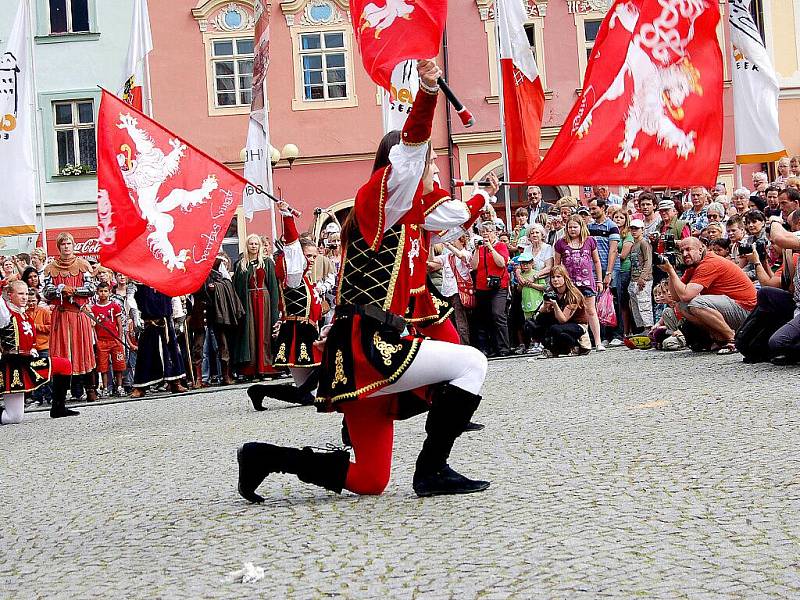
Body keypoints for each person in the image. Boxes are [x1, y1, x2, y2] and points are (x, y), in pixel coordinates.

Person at [237, 59, 492, 502]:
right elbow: (412, 158)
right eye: (429, 167)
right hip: (371, 344)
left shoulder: (400, 213)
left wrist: (478, 199)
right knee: (472, 363)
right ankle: (432, 469)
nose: (430, 174)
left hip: (357, 352)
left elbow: (448, 215)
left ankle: (263, 457)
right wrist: (428, 94)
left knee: (371, 480)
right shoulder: (382, 198)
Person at [247, 206, 324, 409]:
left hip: (307, 331)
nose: (312, 260)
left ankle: (260, 391)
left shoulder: (305, 281)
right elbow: (292, 250)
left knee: (307, 395)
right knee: (310, 391)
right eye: (309, 256)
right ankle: (261, 391)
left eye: (315, 256)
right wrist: (288, 218)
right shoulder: (293, 277)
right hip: (298, 333)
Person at [659, 237, 756, 355]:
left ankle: (733, 339)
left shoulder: (710, 262)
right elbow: (676, 298)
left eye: (688, 250)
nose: (684, 254)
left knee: (695, 304)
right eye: (682, 251)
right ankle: (719, 337)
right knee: (682, 306)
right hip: (733, 308)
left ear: (700, 249)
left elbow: (685, 295)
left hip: (747, 310)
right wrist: (670, 271)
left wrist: (671, 270)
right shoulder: (694, 265)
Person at [0, 280, 76, 424]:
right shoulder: (5, 315)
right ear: (10, 296)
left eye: (26, 293)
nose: (25, 297)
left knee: (64, 364)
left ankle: (58, 408)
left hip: (29, 360)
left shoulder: (26, 316)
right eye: (20, 294)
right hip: (13, 364)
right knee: (14, 418)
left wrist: (33, 349)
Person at [42, 232, 97, 402]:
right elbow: (46, 291)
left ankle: (90, 389)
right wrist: (59, 289)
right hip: (61, 315)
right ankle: (60, 395)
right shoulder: (50, 267)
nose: (66, 247)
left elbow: (90, 289)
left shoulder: (83, 265)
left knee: (84, 351)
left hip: (79, 315)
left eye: (69, 244)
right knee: (61, 354)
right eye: (63, 244)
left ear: (73, 245)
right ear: (58, 247)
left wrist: (72, 290)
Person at [232, 234, 281, 378]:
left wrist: (275, 309)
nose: (253, 246)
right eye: (251, 244)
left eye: (256, 244)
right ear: (247, 246)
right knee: (250, 335)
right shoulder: (241, 264)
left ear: (260, 246)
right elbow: (238, 288)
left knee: (264, 333)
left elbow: (273, 287)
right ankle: (251, 368)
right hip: (248, 302)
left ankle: (266, 366)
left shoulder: (267, 262)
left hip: (264, 302)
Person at [554, 215, 604, 350]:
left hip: (587, 282)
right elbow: (557, 265)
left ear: (581, 227)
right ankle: (578, 343)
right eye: (569, 227)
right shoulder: (560, 243)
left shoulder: (590, 241)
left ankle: (598, 342)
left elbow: (596, 261)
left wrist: (600, 280)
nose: (572, 229)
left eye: (575, 227)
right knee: (572, 313)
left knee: (591, 311)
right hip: (570, 285)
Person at [130, 285, 187, 397]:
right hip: (148, 322)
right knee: (145, 355)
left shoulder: (164, 277)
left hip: (165, 321)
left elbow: (174, 295)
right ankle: (140, 387)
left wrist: (179, 318)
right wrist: (136, 316)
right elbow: (131, 298)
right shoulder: (138, 278)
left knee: (172, 353)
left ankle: (175, 382)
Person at [526, 265, 591, 358]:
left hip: (577, 326)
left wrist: (555, 305)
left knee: (555, 328)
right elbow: (538, 316)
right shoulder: (552, 292)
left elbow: (563, 319)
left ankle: (576, 346)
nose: (555, 280)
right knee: (532, 323)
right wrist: (545, 305)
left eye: (558, 277)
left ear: (565, 278)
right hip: (560, 324)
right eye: (553, 277)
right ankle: (550, 349)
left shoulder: (573, 294)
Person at [471, 221, 511, 357]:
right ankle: (490, 348)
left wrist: (491, 248)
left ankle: (504, 347)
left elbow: (501, 263)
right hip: (482, 286)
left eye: (488, 231)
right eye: (483, 232)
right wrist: (477, 250)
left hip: (498, 286)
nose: (486, 234)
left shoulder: (501, 246)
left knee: (498, 314)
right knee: (485, 318)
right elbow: (474, 266)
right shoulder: (479, 248)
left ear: (495, 233)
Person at [91, 282, 126, 397]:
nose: (103, 293)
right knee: (103, 366)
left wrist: (119, 338)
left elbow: (119, 324)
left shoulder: (115, 306)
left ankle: (120, 386)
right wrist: (96, 340)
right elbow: (94, 326)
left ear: (109, 292)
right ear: (97, 293)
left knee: (119, 364)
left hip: (115, 340)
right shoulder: (94, 308)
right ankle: (106, 388)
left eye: (105, 291)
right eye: (101, 291)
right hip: (102, 341)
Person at [612, 209, 634, 338]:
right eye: (616, 217)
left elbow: (623, 255)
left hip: (623, 270)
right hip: (613, 271)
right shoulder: (613, 233)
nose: (618, 219)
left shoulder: (628, 235)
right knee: (617, 302)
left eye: (621, 217)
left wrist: (610, 256)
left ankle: (626, 330)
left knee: (623, 301)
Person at [627, 220, 653, 331]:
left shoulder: (644, 243)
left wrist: (642, 277)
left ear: (642, 230)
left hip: (643, 279)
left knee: (644, 305)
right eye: (632, 228)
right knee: (636, 306)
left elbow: (648, 261)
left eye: (636, 228)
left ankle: (648, 329)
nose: (634, 231)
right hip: (634, 279)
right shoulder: (633, 245)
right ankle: (643, 329)